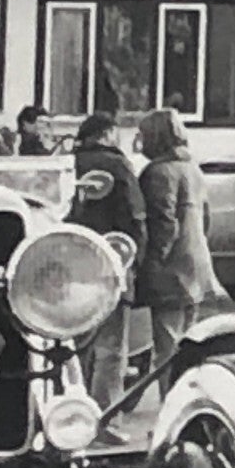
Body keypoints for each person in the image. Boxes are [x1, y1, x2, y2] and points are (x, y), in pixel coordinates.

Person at [68, 110, 147, 440]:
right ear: (106, 133)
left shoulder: (67, 163)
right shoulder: (118, 165)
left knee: (73, 346)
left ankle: (70, 415)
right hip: (110, 265)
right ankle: (105, 420)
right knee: (111, 349)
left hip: (70, 267)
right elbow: (134, 216)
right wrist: (134, 261)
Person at [136, 107, 218, 397]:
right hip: (196, 263)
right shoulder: (193, 169)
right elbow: (205, 218)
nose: (140, 141)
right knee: (189, 345)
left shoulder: (157, 173)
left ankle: (171, 406)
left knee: (167, 349)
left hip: (171, 270)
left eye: (143, 135)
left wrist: (152, 262)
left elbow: (164, 223)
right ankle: (189, 401)